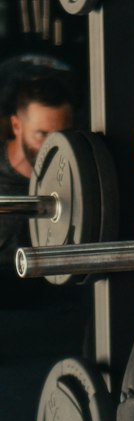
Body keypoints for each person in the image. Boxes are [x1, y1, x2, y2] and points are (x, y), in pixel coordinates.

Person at [0, 70, 74, 273]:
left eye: (60, 135)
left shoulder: (75, 173)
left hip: (61, 294)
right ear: (16, 126)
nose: (51, 146)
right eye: (41, 135)